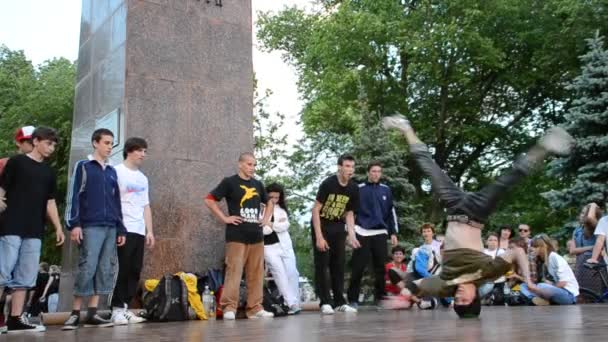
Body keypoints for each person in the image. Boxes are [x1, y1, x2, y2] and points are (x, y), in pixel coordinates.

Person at [382, 114, 573, 318]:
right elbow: (517, 251)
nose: (460, 296)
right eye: (465, 300)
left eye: (457, 300)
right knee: (507, 180)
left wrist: (403, 294)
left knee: (429, 167)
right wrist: (528, 280)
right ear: (476, 299)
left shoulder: (446, 285)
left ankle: (405, 127)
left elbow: (417, 284)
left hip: (454, 209)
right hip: (476, 212)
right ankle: (545, 146)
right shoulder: (487, 273)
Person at [0, 127, 65, 333]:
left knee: (26, 277)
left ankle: (15, 319)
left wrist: (58, 227)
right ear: (35, 141)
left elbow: (50, 201)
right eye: (48, 143)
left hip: (35, 229)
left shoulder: (48, 172)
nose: (51, 148)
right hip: (11, 226)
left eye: (54, 145)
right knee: (2, 272)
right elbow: (1, 188)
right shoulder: (16, 162)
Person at [62, 129, 127, 330]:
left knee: (105, 268)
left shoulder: (111, 171)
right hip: (90, 225)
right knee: (87, 266)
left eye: (111, 143)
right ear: (95, 143)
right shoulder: (83, 166)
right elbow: (74, 196)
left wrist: (120, 228)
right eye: (106, 143)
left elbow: (116, 202)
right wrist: (74, 224)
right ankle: (75, 313)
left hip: (110, 227)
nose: (109, 147)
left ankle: (93, 312)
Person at [205, 152, 275, 320]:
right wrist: (225, 218)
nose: (252, 168)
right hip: (236, 235)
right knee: (234, 272)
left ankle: (255, 308)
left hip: (256, 236)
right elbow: (209, 199)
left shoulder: (258, 184)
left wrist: (265, 220)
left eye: (254, 165)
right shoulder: (229, 182)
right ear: (240, 164)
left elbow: (270, 202)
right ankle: (229, 307)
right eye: (249, 164)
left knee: (256, 274)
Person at [110, 137, 154, 325]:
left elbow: (146, 206)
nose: (143, 154)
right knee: (123, 268)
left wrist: (149, 231)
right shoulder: (116, 172)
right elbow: (111, 201)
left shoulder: (143, 178)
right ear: (129, 151)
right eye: (140, 150)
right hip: (122, 228)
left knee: (135, 270)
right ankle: (115, 309)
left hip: (138, 230)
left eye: (145, 151)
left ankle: (124, 308)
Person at [312, 154, 360, 315]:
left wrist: (351, 234)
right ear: (339, 167)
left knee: (338, 266)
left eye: (352, 167)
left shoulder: (353, 188)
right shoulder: (328, 184)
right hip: (322, 225)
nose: (350, 170)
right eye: (347, 166)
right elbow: (315, 210)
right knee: (322, 265)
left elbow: (349, 213)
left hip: (338, 227)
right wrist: (319, 236)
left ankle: (339, 302)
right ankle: (325, 302)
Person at [347, 162, 398, 308]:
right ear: (368, 173)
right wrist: (350, 233)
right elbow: (350, 212)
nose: (376, 174)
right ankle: (353, 299)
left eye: (379, 171)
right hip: (362, 231)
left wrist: (393, 232)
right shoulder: (359, 189)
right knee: (358, 266)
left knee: (381, 268)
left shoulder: (386, 190)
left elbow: (390, 212)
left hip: (380, 232)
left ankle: (380, 298)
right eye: (373, 171)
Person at [262, 183, 301, 315]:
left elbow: (284, 226)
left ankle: (294, 301)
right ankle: (291, 303)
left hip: (285, 246)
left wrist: (270, 223)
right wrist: (272, 225)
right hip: (268, 247)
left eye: (276, 197)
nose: (273, 200)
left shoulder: (281, 209)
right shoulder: (260, 209)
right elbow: (264, 231)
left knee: (292, 273)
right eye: (270, 196)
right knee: (280, 274)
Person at [520, 234, 579, 305]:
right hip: (557, 290)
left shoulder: (554, 257)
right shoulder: (543, 260)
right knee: (523, 285)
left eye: (536, 247)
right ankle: (533, 299)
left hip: (568, 295)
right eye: (533, 246)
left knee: (541, 286)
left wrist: (549, 286)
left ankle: (540, 298)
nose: (533, 249)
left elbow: (563, 283)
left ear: (544, 247)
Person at [569, 203, 605, 295]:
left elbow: (589, 218)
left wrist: (593, 205)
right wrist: (591, 247)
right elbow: (572, 251)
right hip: (580, 266)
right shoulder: (576, 230)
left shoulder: (597, 227)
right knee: (581, 294)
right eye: (581, 213)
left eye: (585, 213)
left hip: (593, 266)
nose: (582, 215)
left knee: (594, 295)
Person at [479, 233, 507, 303]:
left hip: (498, 280)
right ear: (486, 242)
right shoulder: (482, 252)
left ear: (498, 242)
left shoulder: (501, 252)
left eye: (495, 240)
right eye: (490, 240)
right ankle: (486, 298)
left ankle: (486, 298)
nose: (493, 242)